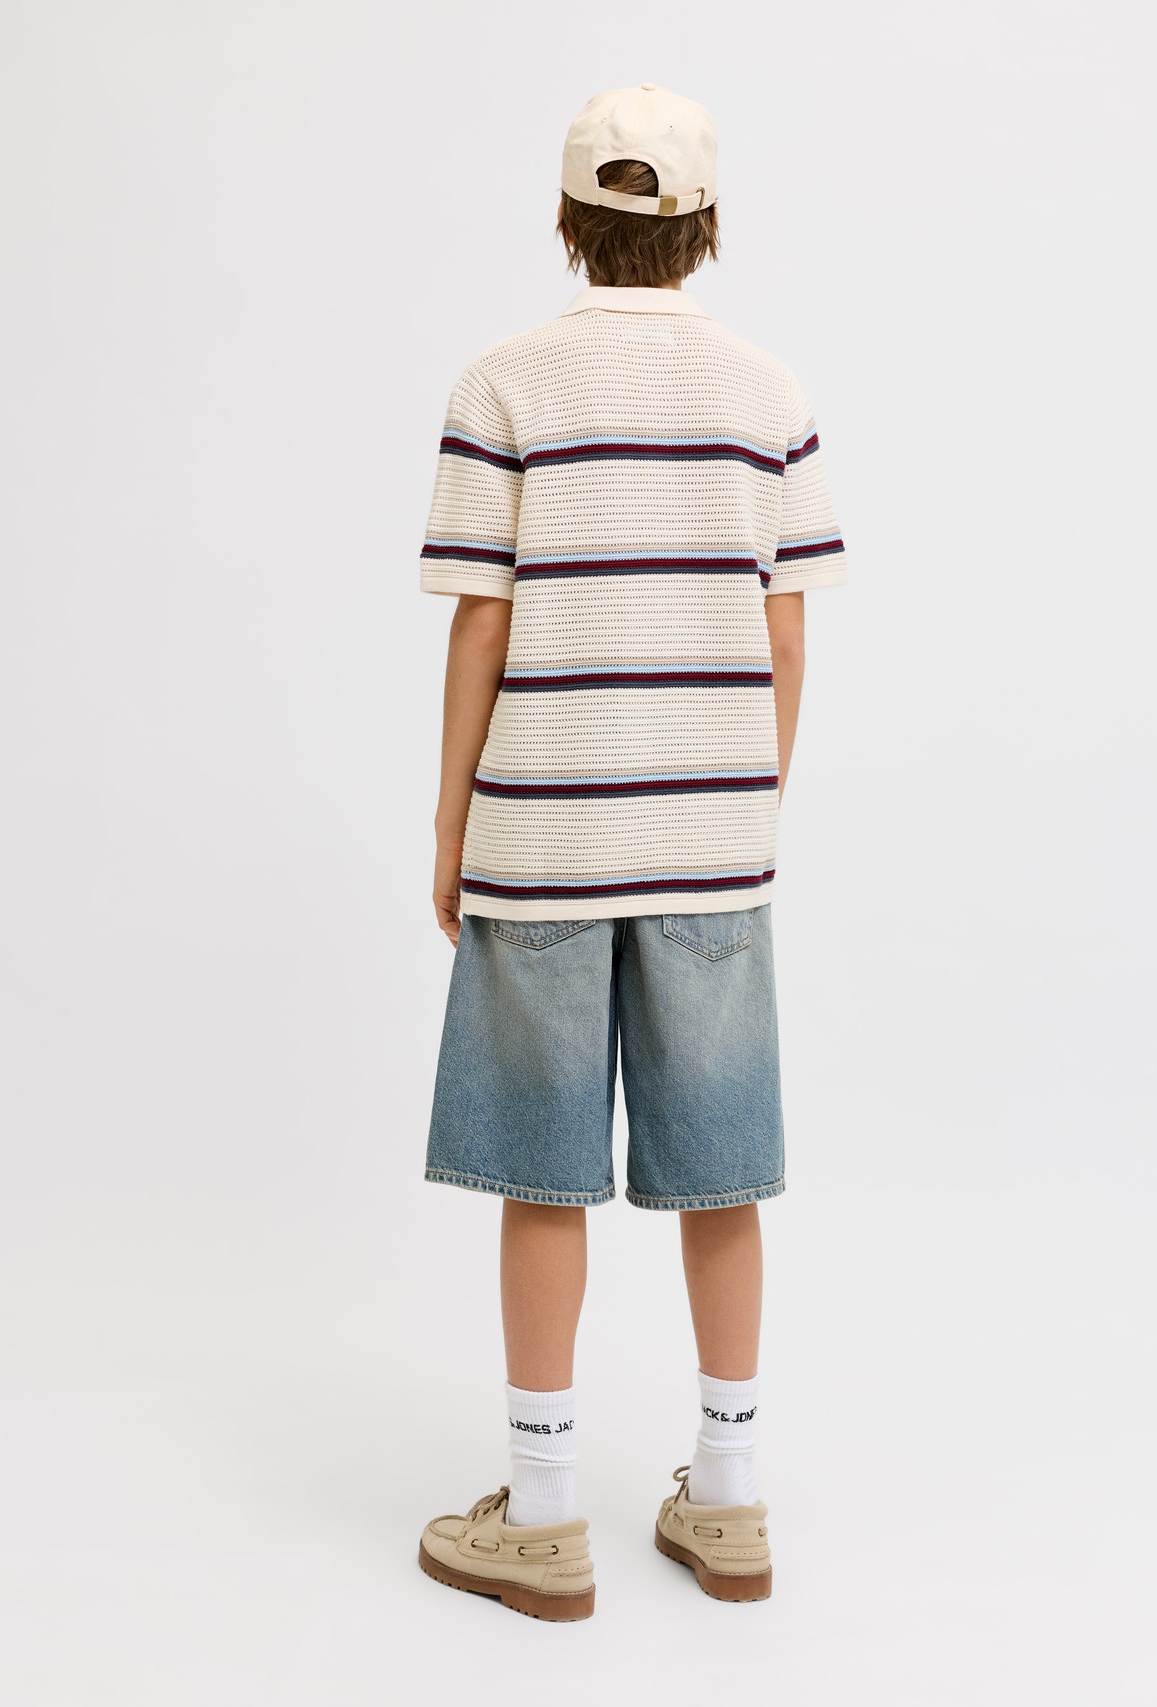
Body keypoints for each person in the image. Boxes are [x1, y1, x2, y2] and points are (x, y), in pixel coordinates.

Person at [416, 84, 845, 1621]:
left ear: (568, 215)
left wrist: (453, 821)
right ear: (705, 222)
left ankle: (541, 1517)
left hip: (542, 834)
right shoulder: (767, 390)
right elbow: (786, 634)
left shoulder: (503, 381)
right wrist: (744, 809)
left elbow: (482, 623)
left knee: (543, 1181)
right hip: (712, 841)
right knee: (722, 1180)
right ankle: (729, 1499)